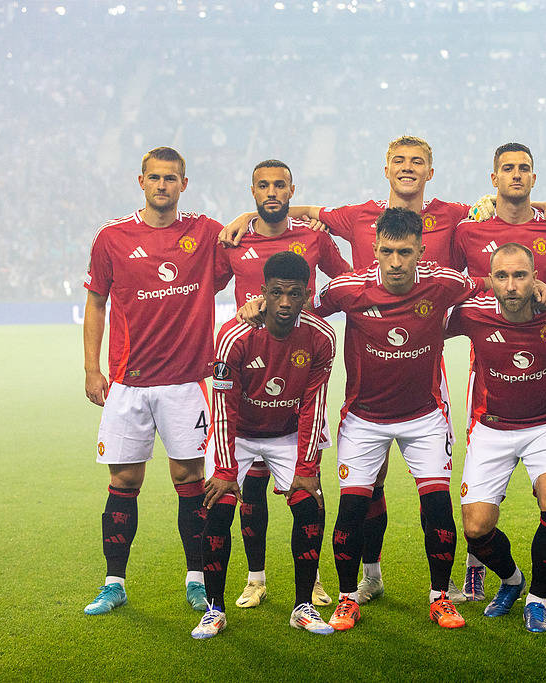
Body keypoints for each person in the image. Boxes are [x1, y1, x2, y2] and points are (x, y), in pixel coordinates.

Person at [222, 136, 546, 604]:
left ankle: (451, 582)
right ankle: (370, 575)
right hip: (368, 374)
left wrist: (544, 207)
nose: (408, 168)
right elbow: (298, 216)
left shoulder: (454, 215)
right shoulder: (357, 216)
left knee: (438, 493)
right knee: (372, 482)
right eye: (399, 161)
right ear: (386, 168)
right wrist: (250, 218)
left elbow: (508, 205)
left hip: (426, 368)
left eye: (417, 161)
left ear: (430, 171)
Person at [311, 207, 490, 631]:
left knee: (438, 507)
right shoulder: (348, 288)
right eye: (387, 252)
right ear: (374, 249)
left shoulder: (444, 282)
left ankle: (439, 597)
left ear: (420, 252)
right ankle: (347, 598)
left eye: (405, 252)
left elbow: (486, 282)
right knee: (351, 510)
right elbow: (306, 310)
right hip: (364, 419)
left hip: (423, 417)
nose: (395, 262)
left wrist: (534, 285)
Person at [82, 147, 228, 615]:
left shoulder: (205, 233)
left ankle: (197, 580)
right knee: (123, 481)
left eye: (171, 178)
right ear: (141, 181)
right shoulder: (112, 237)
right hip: (128, 383)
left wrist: (248, 216)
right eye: (155, 177)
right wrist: (91, 368)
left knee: (190, 479)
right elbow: (96, 301)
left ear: (184, 184)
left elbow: (245, 250)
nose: (163, 185)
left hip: (186, 383)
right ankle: (113, 583)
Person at [217, 159, 349, 610]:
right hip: (250, 373)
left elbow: (344, 282)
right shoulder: (234, 239)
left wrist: (312, 314)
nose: (271, 192)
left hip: (297, 367)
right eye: (263, 186)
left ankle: (311, 581)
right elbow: (202, 286)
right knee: (251, 491)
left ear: (292, 189)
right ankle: (255, 579)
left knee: (308, 489)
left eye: (279, 185)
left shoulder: (313, 236)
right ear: (252, 191)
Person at [451, 142, 546, 602]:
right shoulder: (469, 228)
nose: (516, 175)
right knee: (480, 505)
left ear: (534, 177)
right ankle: (477, 566)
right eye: (507, 168)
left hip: (545, 363)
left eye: (524, 168)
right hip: (488, 363)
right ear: (494, 178)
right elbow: (446, 284)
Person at [446, 242, 546, 632]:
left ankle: (537, 601)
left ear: (535, 278)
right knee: (476, 529)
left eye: (520, 275)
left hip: (545, 426)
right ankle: (513, 581)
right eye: (502, 276)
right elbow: (424, 324)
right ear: (491, 280)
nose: (511, 285)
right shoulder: (472, 314)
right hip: (491, 428)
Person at [192, 251, 336, 639]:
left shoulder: (321, 337)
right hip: (237, 434)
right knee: (217, 507)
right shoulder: (233, 337)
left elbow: (314, 406)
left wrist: (306, 468)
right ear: (263, 292)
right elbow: (223, 409)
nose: (285, 303)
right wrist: (225, 471)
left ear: (307, 294)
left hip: (285, 433)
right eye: (276, 293)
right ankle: (214, 609)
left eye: (294, 294)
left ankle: (303, 605)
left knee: (310, 506)